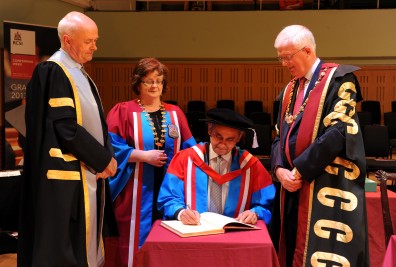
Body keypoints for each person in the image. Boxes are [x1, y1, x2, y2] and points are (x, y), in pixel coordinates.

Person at [18, 11, 118, 267]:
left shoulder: (79, 73)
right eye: (89, 41)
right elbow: (64, 126)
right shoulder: (54, 71)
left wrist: (105, 157)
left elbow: (96, 124)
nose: (95, 46)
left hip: (86, 171)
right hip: (65, 179)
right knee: (64, 251)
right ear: (67, 40)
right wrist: (102, 158)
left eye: (96, 40)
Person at [270, 25, 369, 266]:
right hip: (291, 186)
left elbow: (339, 132)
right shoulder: (289, 90)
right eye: (280, 58)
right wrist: (280, 169)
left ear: (306, 51)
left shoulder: (340, 79)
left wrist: (300, 170)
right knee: (291, 246)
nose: (283, 64)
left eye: (287, 57)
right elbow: (276, 136)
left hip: (324, 183)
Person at [105, 57, 196, 266]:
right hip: (134, 189)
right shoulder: (123, 111)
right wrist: (143, 156)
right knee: (132, 237)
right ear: (138, 84)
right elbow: (111, 146)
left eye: (159, 80)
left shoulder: (175, 113)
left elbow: (190, 147)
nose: (155, 85)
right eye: (149, 81)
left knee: (167, 237)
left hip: (170, 188)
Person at [158, 108, 275, 226]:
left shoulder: (251, 165)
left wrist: (255, 213)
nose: (223, 144)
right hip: (194, 231)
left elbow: (266, 204)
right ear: (209, 130)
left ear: (239, 137)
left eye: (230, 139)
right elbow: (168, 197)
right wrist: (180, 212)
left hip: (234, 233)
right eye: (218, 136)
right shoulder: (185, 159)